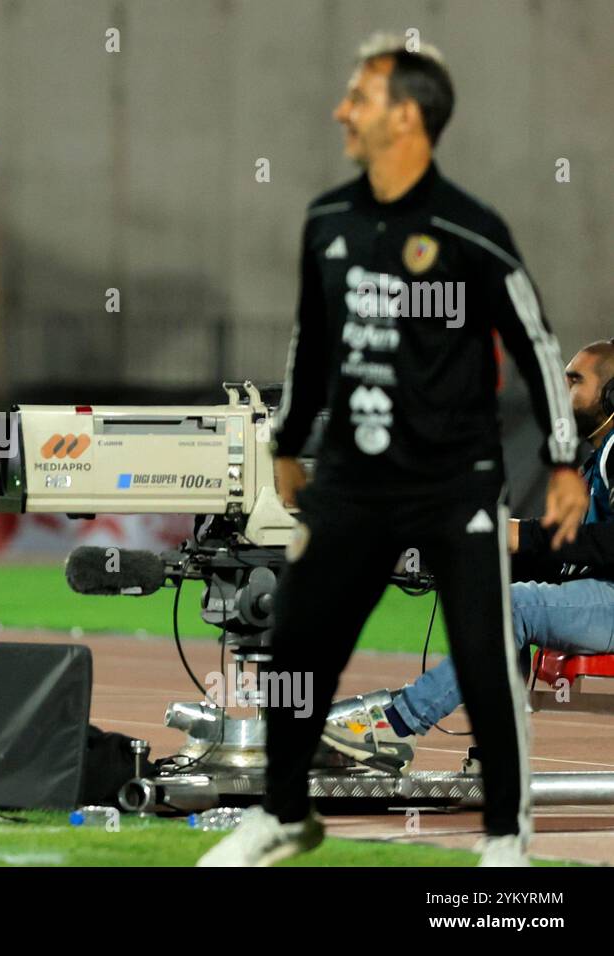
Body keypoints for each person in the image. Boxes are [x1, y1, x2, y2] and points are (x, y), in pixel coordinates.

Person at [198, 33, 586, 868]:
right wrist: (290, 443)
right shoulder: (327, 221)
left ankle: (504, 841)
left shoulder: (472, 232)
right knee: (301, 642)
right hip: (351, 482)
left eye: (360, 97)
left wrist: (562, 460)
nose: (342, 109)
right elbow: (312, 345)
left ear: (406, 116)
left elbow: (540, 347)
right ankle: (281, 816)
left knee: (485, 651)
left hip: (456, 485)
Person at [322, 342, 614, 753]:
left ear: (611, 394)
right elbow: (577, 561)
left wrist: (523, 535)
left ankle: (398, 725)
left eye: (575, 381)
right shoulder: (600, 456)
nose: (560, 390)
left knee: (511, 607)